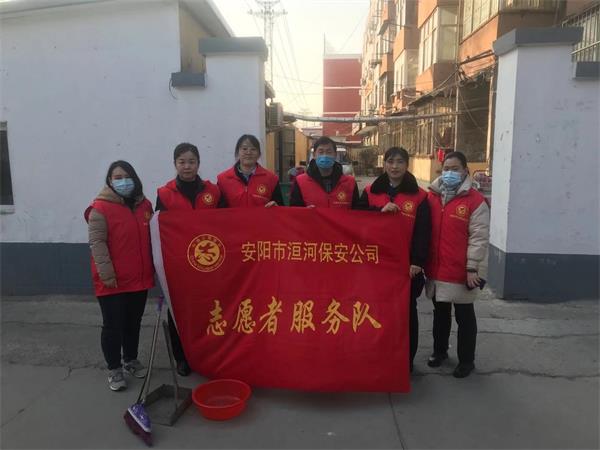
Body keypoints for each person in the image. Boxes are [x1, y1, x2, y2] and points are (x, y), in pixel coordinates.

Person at [358, 147, 430, 373]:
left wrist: (417, 261)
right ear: (384, 164)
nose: (394, 166)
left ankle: (406, 361)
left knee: (406, 314)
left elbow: (423, 232)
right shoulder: (370, 192)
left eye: (400, 162)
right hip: (375, 265)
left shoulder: (420, 196)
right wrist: (378, 210)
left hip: (406, 268)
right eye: (390, 161)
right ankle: (376, 356)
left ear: (407, 165)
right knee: (374, 312)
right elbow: (356, 221)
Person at [85, 160, 154, 391]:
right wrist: (107, 274)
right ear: (109, 181)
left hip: (139, 278)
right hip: (113, 280)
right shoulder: (99, 208)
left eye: (127, 176)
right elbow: (97, 243)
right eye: (117, 177)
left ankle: (130, 359)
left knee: (133, 322)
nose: (123, 181)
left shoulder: (144, 205)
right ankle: (114, 369)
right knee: (113, 325)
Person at [156, 142, 222, 376]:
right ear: (175, 164)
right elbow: (159, 229)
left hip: (210, 262)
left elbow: (228, 222)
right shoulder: (164, 194)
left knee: (209, 310)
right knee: (179, 311)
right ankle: (182, 358)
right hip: (179, 264)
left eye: (191, 161)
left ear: (198, 163)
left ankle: (209, 355)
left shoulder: (213, 192)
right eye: (182, 162)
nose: (187, 166)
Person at [425, 151, 490, 378]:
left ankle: (466, 360)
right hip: (437, 269)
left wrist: (472, 267)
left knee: (465, 317)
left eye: (455, 169)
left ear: (465, 171)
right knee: (440, 314)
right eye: (446, 169)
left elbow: (479, 237)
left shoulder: (475, 201)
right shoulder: (431, 197)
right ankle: (439, 352)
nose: (450, 173)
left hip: (463, 271)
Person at [289, 136, 359, 208]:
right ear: (314, 155)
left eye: (329, 152)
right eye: (321, 152)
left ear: (335, 155)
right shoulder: (300, 182)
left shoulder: (350, 183)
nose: (325, 156)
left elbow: (357, 212)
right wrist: (305, 212)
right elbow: (294, 211)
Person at [217, 134, 283, 207]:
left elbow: (281, 208)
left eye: (253, 149)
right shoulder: (223, 180)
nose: (248, 153)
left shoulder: (272, 179)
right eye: (244, 149)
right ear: (238, 152)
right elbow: (219, 211)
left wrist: (276, 207)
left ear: (259, 154)